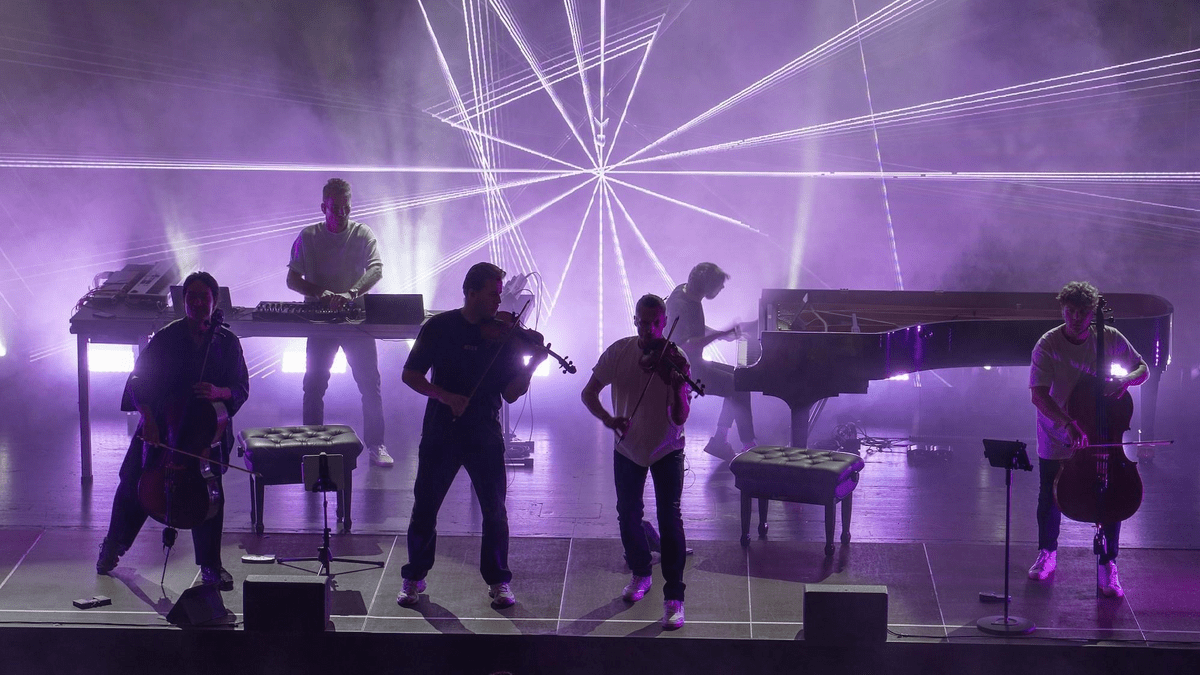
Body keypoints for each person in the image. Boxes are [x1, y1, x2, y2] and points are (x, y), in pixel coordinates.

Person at [396, 262, 546, 608]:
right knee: (425, 507)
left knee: (494, 511)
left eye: (500, 294)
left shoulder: (505, 338)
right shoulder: (439, 327)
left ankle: (498, 580)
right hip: (441, 428)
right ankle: (414, 576)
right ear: (471, 293)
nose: (499, 301)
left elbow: (511, 393)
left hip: (484, 430)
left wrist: (532, 366)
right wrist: (444, 395)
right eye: (493, 294)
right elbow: (411, 374)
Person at [96, 271, 250, 591]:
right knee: (132, 482)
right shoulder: (167, 337)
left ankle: (210, 565)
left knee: (209, 495)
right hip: (161, 427)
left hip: (206, 435)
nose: (197, 303)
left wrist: (218, 392)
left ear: (215, 301)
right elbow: (137, 381)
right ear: (183, 301)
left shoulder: (227, 343)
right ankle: (113, 545)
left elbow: (241, 388)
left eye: (204, 298)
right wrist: (149, 420)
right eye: (191, 297)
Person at [1027, 281, 1148, 598]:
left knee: (1112, 496)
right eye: (1071, 311)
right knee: (1050, 495)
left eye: (1083, 312)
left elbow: (1142, 368)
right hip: (1056, 432)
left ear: (1093, 313)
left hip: (1101, 436)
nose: (1077, 318)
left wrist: (1126, 381)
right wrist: (1067, 423)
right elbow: (1038, 395)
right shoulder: (1048, 344)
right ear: (1062, 310)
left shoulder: (1109, 337)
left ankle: (1108, 563)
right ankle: (1047, 552)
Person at [581, 294, 691, 630]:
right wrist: (608, 418)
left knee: (669, 519)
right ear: (635, 321)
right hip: (628, 447)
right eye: (643, 323)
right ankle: (641, 572)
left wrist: (677, 386)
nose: (649, 330)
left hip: (667, 448)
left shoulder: (676, 358)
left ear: (664, 322)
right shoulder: (619, 351)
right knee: (628, 514)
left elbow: (680, 416)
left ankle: (674, 597)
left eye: (656, 323)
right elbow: (588, 393)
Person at [287, 177, 391, 466]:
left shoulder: (362, 233)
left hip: (356, 320)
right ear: (323, 207)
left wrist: (351, 293)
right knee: (314, 385)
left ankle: (376, 445)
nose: (342, 214)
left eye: (346, 208)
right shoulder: (308, 236)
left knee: (370, 385)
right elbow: (292, 278)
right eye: (336, 208)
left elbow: (376, 269)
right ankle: (311, 445)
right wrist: (320, 294)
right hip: (320, 323)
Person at [666, 262, 756, 461]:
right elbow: (686, 345)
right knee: (738, 385)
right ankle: (747, 445)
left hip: (693, 364)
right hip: (683, 371)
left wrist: (721, 334)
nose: (722, 287)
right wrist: (719, 335)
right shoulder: (680, 303)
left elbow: (694, 327)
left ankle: (721, 440)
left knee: (740, 379)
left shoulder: (686, 293)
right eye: (719, 284)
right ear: (707, 285)